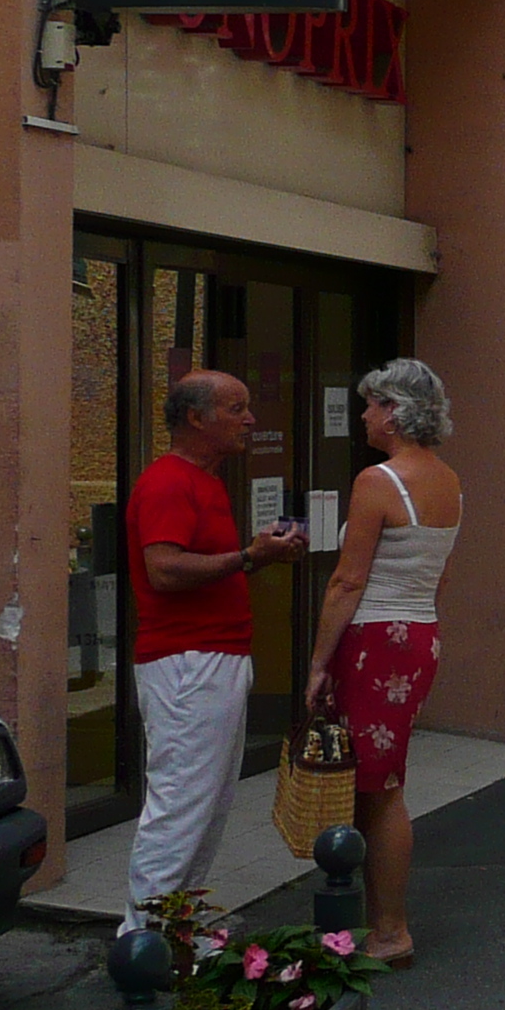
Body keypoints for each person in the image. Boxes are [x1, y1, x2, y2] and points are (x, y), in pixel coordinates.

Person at [122, 370, 308, 927]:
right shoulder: (168, 482)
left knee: (208, 804)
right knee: (182, 803)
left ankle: (178, 928)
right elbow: (164, 569)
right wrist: (250, 558)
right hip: (187, 662)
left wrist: (258, 554)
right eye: (236, 409)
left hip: (212, 658)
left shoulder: (203, 481)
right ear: (196, 418)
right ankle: (145, 938)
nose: (250, 419)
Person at [303, 360, 462, 970]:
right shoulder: (449, 481)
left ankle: (390, 929)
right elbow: (438, 576)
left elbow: (347, 580)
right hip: (418, 632)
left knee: (379, 789)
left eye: (371, 404)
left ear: (394, 411)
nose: (365, 415)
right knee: (383, 780)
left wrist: (319, 661)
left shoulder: (378, 481)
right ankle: (380, 923)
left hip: (374, 638)